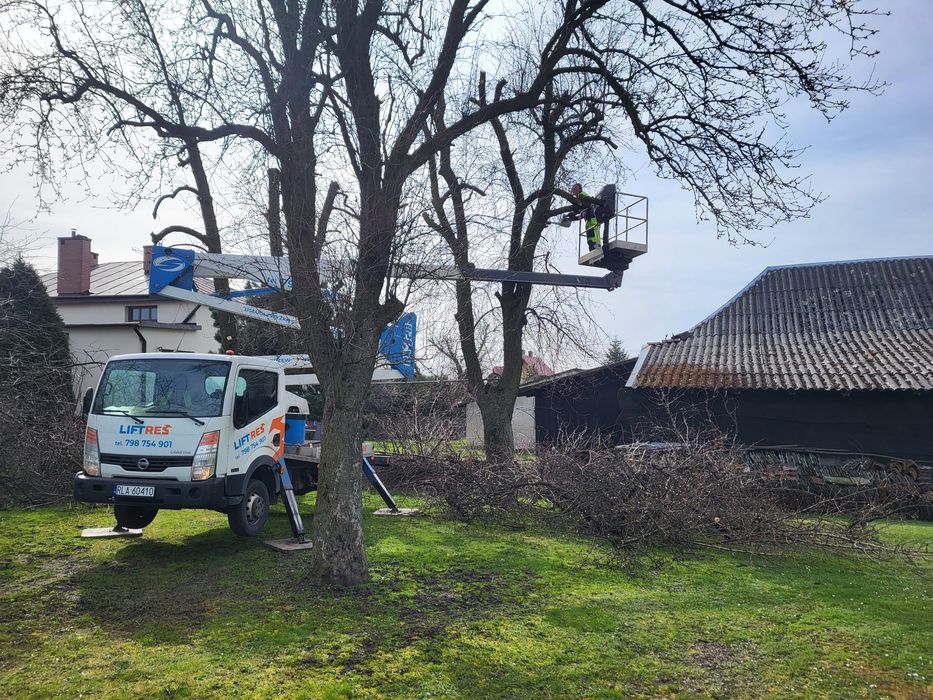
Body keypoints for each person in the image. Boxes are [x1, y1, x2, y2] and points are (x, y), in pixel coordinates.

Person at [568, 183, 602, 251]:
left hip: (592, 220)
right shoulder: (582, 204)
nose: (574, 189)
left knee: (593, 236)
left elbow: (587, 204)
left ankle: (596, 247)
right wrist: (572, 217)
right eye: (573, 188)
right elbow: (581, 215)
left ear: (580, 189)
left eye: (575, 187)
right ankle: (595, 247)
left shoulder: (582, 195)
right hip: (590, 220)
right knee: (592, 237)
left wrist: (575, 211)